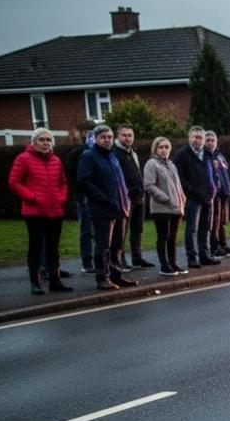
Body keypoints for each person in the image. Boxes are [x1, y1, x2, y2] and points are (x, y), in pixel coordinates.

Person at [8, 127, 72, 294]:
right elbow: (14, 182)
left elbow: (63, 183)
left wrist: (61, 198)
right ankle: (35, 282)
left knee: (53, 248)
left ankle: (55, 281)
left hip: (55, 211)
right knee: (35, 248)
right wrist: (31, 197)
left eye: (48, 140)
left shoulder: (56, 160)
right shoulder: (23, 158)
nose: (45, 143)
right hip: (34, 211)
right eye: (41, 140)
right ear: (34, 142)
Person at [75, 125, 138, 290]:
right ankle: (102, 278)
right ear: (95, 139)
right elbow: (83, 181)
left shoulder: (112, 156)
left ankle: (116, 275)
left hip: (119, 207)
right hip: (102, 209)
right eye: (103, 137)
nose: (107, 140)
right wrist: (103, 198)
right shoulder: (89, 156)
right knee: (103, 246)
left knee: (117, 246)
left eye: (109, 137)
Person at [173, 126, 219, 268]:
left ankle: (205, 255)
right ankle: (192, 258)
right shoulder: (182, 155)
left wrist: (213, 188)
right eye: (194, 137)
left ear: (203, 140)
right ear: (189, 138)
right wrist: (193, 191)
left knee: (206, 227)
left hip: (208, 198)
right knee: (192, 229)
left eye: (200, 137)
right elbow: (179, 178)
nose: (197, 140)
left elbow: (213, 174)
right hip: (192, 198)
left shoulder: (207, 154)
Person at [143, 136, 187, 276]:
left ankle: (173, 263)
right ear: (155, 149)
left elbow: (178, 184)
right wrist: (165, 198)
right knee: (164, 236)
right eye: (161, 147)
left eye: (166, 147)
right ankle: (164, 265)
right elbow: (149, 185)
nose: (164, 150)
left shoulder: (172, 165)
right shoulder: (151, 164)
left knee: (173, 237)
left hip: (176, 207)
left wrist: (182, 198)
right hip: (161, 207)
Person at [114, 124, 153, 269]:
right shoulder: (114, 153)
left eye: (130, 135)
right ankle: (120, 260)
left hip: (139, 196)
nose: (127, 138)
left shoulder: (132, 152)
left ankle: (137, 258)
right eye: (124, 135)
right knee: (121, 232)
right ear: (118, 136)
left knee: (137, 229)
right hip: (125, 198)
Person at [64, 128, 95, 273]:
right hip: (84, 198)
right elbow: (70, 176)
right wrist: (78, 194)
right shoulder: (77, 153)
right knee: (87, 230)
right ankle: (87, 262)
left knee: (100, 231)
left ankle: (100, 261)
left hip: (100, 198)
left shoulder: (104, 153)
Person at [204, 130, 230, 257]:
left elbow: (224, 173)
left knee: (223, 220)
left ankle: (223, 244)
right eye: (208, 140)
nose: (210, 143)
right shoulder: (205, 156)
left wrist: (228, 189)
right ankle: (214, 246)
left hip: (224, 192)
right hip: (214, 194)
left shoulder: (219, 155)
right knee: (214, 221)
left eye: (212, 140)